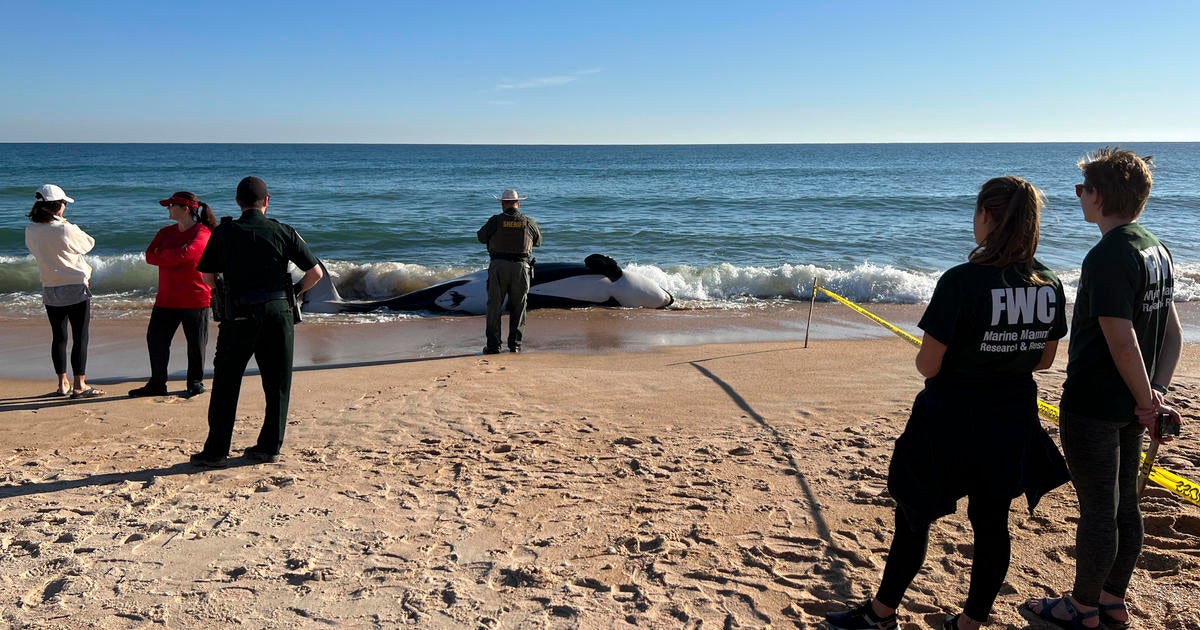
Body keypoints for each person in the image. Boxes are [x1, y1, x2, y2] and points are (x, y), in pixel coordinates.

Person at [826, 176, 1070, 630]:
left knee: (914, 517)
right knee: (992, 522)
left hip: (950, 420)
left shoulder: (961, 281)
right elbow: (1045, 359)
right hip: (1011, 418)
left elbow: (928, 365)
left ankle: (881, 614)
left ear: (988, 218)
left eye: (978, 213)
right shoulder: (1048, 282)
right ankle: (970, 622)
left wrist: (971, 355)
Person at [1020, 148, 1183, 630]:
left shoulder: (1108, 254)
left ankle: (1084, 606)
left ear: (1099, 195)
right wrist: (1154, 393)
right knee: (1124, 504)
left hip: (1097, 403)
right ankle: (1113, 600)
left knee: (1099, 510)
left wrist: (1146, 399)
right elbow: (1172, 334)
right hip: (1134, 403)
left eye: (1081, 190)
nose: (1078, 198)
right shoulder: (1157, 248)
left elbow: (1119, 333)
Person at [189, 177, 322, 468]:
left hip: (238, 313)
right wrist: (294, 293)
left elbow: (207, 277)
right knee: (277, 382)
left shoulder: (224, 232)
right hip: (278, 312)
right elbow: (315, 274)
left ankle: (216, 451)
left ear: (238, 202)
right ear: (267, 201)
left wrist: (221, 288)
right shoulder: (284, 231)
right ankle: (269, 446)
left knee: (226, 380)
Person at [129, 192, 219, 398]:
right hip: (167, 298)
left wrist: (165, 256)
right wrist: (171, 256)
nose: (168, 209)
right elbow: (149, 256)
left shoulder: (203, 232)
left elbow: (187, 254)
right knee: (156, 340)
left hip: (195, 297)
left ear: (185, 208)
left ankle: (195, 381)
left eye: (171, 205)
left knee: (196, 343)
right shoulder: (165, 232)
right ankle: (157, 383)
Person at [25, 184, 105, 399]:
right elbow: (89, 244)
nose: (64, 207)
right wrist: (67, 225)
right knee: (80, 337)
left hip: (50, 286)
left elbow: (34, 250)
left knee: (59, 337)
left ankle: (62, 384)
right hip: (75, 285)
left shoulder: (31, 229)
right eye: (62, 204)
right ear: (56, 206)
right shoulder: (65, 228)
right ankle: (80, 385)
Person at [476, 189, 542, 354]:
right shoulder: (529, 222)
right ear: (518, 204)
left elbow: (481, 237)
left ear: (502, 204)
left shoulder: (495, 221)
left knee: (494, 306)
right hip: (521, 267)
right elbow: (538, 241)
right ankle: (515, 345)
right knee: (519, 308)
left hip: (498, 267)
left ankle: (493, 346)